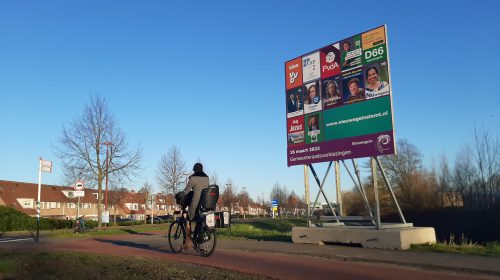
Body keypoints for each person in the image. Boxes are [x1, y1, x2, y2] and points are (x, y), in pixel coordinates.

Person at [181, 162, 209, 249]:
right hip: (205, 204)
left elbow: (186, 191)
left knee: (188, 219)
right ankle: (196, 239)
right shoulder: (207, 178)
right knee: (199, 220)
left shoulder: (193, 178)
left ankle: (188, 241)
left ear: (195, 170)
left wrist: (180, 194)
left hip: (196, 204)